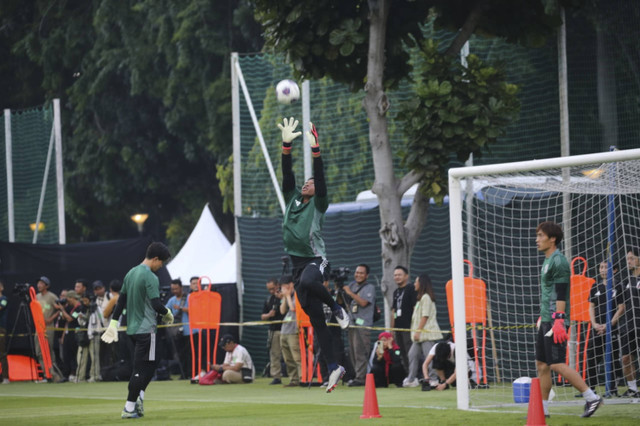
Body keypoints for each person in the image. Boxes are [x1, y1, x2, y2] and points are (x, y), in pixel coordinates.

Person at [278, 117, 350, 393]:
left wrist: (315, 149)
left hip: (315, 260)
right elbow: (287, 174)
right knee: (315, 322)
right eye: (305, 182)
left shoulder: (320, 203)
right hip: (297, 265)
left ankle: (337, 308)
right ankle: (334, 368)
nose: (308, 184)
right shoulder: (293, 199)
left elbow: (319, 177)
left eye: (311, 182)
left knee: (310, 283)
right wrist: (287, 145)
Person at [534, 221, 602, 418]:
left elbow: (561, 293)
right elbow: (549, 293)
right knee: (542, 364)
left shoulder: (559, 261)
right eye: (537, 235)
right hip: (547, 318)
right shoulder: (547, 260)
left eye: (540, 235)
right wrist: (544, 315)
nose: (537, 239)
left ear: (552, 238)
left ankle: (591, 397)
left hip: (556, 320)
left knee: (556, 363)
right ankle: (543, 410)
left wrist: (558, 320)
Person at [100, 242, 175, 419]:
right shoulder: (150, 277)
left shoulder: (131, 273)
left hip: (132, 330)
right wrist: (168, 313)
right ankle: (129, 407)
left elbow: (120, 302)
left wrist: (113, 324)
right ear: (155, 259)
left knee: (152, 363)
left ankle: (139, 397)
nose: (161, 266)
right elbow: (156, 304)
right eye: (161, 263)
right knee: (140, 369)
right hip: (146, 330)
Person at [586, 261, 624, 396]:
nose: (603, 270)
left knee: (612, 357)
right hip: (596, 328)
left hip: (611, 328)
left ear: (614, 270)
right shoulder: (595, 286)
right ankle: (591, 388)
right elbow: (591, 306)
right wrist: (594, 323)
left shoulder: (617, 286)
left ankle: (613, 388)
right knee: (591, 357)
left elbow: (621, 308)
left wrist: (609, 325)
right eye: (601, 267)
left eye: (606, 268)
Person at [404, 273, 443, 388]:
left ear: (421, 284)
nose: (414, 284)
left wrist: (418, 331)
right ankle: (411, 379)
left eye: (416, 281)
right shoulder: (420, 298)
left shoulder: (426, 297)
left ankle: (433, 379)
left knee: (429, 357)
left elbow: (425, 316)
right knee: (412, 355)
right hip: (419, 336)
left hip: (426, 334)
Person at [343, 264, 375, 387]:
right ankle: (357, 375)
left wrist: (349, 292)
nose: (358, 275)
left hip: (363, 325)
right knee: (352, 351)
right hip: (351, 323)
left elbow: (363, 302)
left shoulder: (369, 288)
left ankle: (361, 378)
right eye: (357, 272)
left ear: (366, 275)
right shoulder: (351, 285)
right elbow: (342, 302)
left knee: (360, 351)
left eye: (361, 273)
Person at [618, 247, 640, 398]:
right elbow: (623, 306)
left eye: (631, 258)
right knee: (625, 357)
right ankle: (633, 389)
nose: (629, 261)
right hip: (629, 325)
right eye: (627, 259)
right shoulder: (627, 281)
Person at [55, 290, 86, 382]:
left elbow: (70, 319)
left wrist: (62, 309)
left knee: (74, 354)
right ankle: (66, 374)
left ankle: (74, 373)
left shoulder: (79, 307)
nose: (67, 301)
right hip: (68, 334)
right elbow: (65, 320)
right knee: (66, 354)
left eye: (68, 298)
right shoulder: (69, 307)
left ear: (72, 298)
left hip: (76, 334)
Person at [391, 265, 416, 372]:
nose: (397, 277)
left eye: (399, 275)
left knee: (411, 352)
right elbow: (393, 312)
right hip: (398, 328)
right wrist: (392, 330)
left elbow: (415, 308)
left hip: (409, 327)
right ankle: (408, 375)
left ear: (406, 276)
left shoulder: (411, 289)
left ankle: (415, 375)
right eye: (395, 275)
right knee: (402, 352)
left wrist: (415, 327)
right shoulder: (395, 292)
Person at [279, 275, 302, 387]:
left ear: (291, 285)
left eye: (285, 286)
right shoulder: (287, 296)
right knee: (287, 358)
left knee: (297, 357)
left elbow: (294, 308)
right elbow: (282, 311)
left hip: (294, 329)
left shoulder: (297, 294)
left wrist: (287, 296)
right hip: (285, 330)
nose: (283, 288)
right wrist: (284, 298)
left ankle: (303, 378)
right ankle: (294, 379)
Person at [165, 278, 190, 379]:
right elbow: (166, 310)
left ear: (181, 288)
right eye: (173, 289)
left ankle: (190, 373)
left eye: (176, 289)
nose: (174, 291)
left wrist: (180, 308)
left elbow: (194, 310)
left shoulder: (189, 298)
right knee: (180, 354)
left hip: (189, 331)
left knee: (190, 354)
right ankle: (183, 374)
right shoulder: (171, 300)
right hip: (177, 333)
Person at [261, 277, 284, 385]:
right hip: (273, 330)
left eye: (273, 288)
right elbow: (262, 316)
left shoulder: (285, 296)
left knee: (291, 354)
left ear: (278, 285)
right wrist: (269, 315)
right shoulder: (268, 299)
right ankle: (276, 376)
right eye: (269, 289)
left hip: (286, 329)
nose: (271, 291)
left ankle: (297, 376)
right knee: (274, 354)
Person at [86, 280, 110, 382]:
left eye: (99, 288)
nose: (98, 291)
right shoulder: (93, 301)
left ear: (104, 288)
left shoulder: (110, 297)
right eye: (96, 289)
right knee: (96, 354)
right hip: (97, 330)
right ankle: (96, 374)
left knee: (108, 354)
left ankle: (108, 374)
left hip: (108, 329)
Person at [35, 276, 58, 377]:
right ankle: (46, 374)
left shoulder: (52, 296)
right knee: (39, 351)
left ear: (46, 286)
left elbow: (59, 309)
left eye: (41, 283)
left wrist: (51, 318)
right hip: (38, 327)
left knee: (48, 349)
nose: (39, 285)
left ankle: (53, 373)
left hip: (48, 327)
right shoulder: (36, 297)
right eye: (38, 283)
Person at [0, 281, 9, 384]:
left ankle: (6, 377)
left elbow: (1, 307)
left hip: (1, 328)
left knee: (2, 353)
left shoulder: (4, 299)